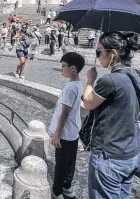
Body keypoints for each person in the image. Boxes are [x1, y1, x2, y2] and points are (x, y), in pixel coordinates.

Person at [81, 32, 140, 198]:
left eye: (99, 52)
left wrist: (90, 80)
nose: (97, 56)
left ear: (114, 53)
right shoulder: (137, 76)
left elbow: (88, 102)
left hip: (110, 156)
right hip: (132, 152)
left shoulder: (110, 80)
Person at [49, 52, 85, 199]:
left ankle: (57, 190)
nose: (61, 69)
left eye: (63, 66)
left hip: (64, 132)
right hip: (73, 131)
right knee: (70, 161)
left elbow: (64, 114)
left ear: (73, 68)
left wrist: (57, 134)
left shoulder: (70, 88)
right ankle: (67, 186)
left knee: (61, 164)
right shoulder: (77, 84)